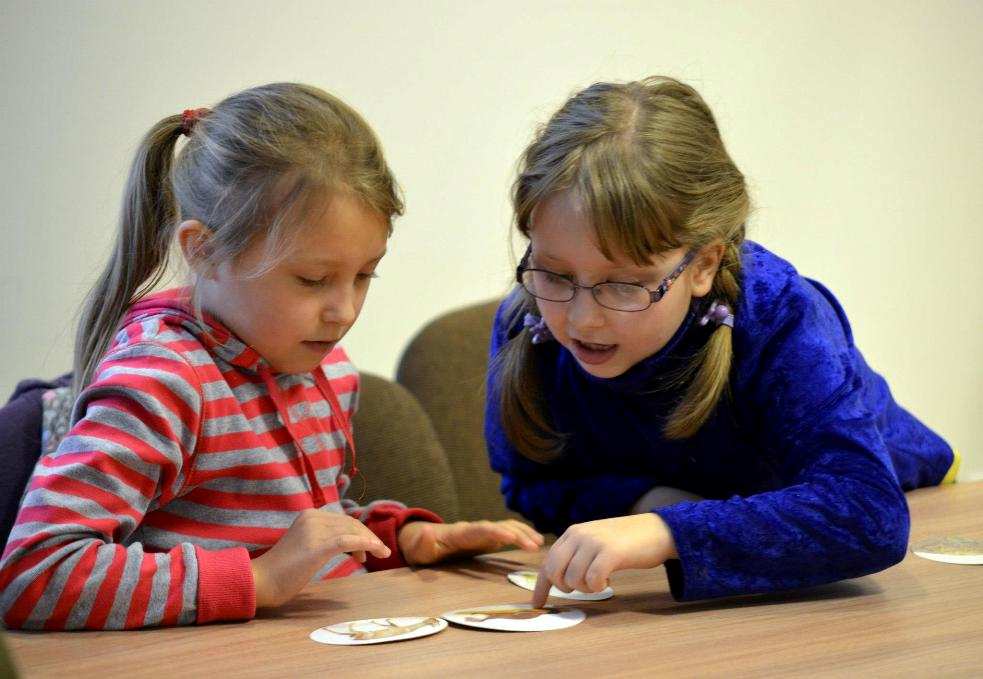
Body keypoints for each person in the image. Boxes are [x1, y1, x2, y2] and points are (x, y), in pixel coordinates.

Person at [0, 83, 542, 630]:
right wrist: (256, 582)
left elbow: (297, 531)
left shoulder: (324, 367)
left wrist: (401, 539)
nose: (344, 310)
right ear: (204, 251)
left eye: (364, 275)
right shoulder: (163, 381)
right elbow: (35, 573)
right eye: (312, 279)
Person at [484, 76, 957, 607]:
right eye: (554, 274)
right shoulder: (528, 324)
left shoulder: (778, 311)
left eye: (625, 283)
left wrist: (666, 529)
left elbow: (866, 513)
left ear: (703, 264)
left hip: (924, 515)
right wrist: (646, 501)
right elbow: (531, 485)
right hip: (725, 571)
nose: (582, 318)